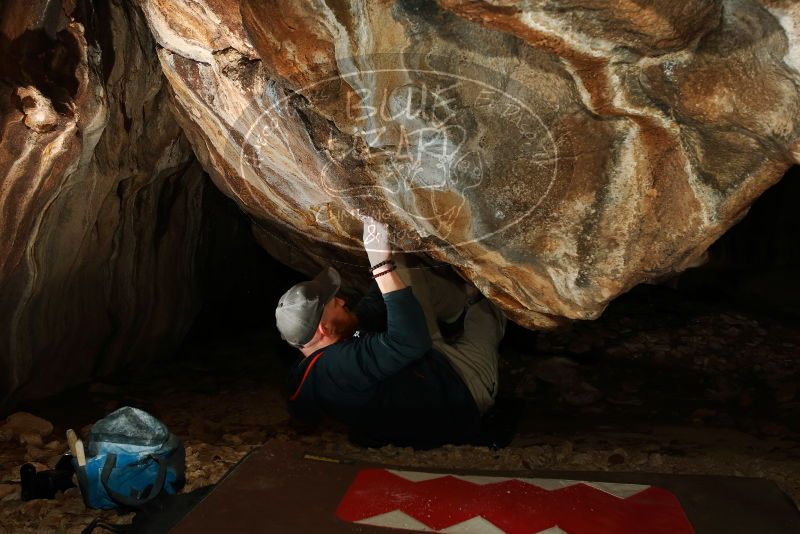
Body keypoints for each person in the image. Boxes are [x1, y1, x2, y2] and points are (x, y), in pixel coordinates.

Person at [275, 216, 507, 448]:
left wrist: (388, 254)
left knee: (402, 270)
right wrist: (381, 268)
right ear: (323, 329)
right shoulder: (338, 368)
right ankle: (474, 305)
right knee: (492, 306)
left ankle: (457, 308)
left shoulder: (311, 368)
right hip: (463, 387)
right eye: (332, 302)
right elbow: (411, 342)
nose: (342, 300)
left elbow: (370, 311)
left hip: (425, 367)